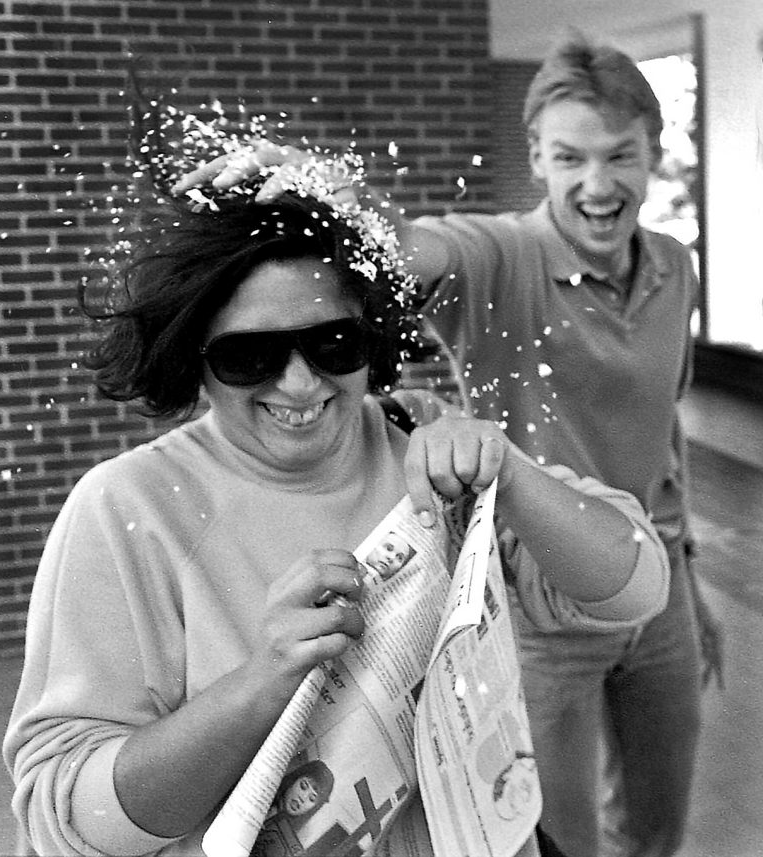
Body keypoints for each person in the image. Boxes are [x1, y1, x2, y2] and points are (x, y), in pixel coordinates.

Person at [3, 95, 671, 857]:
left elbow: (633, 588)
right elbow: (69, 820)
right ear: (191, 356)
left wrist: (508, 472)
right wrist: (264, 679)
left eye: (334, 343)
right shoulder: (128, 507)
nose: (299, 385)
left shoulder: (420, 438)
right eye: (249, 355)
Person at [175, 31, 716, 857]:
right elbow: (404, 249)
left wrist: (696, 585)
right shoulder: (504, 253)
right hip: (538, 605)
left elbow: (661, 426)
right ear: (536, 157)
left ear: (653, 155)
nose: (597, 184)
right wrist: (327, 193)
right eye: (570, 157)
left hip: (657, 584)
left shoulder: (675, 266)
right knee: (554, 839)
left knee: (655, 830)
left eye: (621, 156)